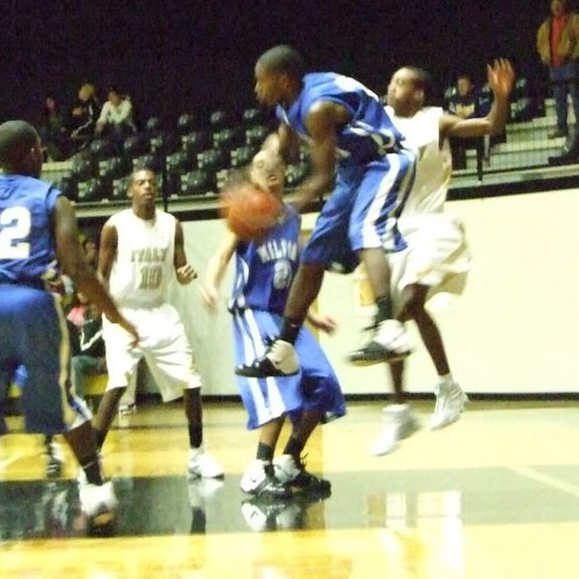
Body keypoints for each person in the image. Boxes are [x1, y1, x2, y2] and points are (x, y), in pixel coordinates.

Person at [0, 120, 139, 543]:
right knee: (63, 404)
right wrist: (117, 316)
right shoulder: (52, 198)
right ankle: (97, 494)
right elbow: (77, 269)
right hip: (33, 302)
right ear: (33, 152)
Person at [236, 45, 415, 379]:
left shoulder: (317, 107)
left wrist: (285, 207)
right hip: (354, 171)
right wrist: (258, 174)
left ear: (283, 80)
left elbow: (322, 176)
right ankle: (283, 352)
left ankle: (390, 328)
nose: (256, 89)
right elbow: (286, 151)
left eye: (261, 81)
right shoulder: (287, 107)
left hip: (384, 161)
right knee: (314, 254)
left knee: (365, 229)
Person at [369, 61, 514, 456]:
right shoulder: (376, 121)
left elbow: (490, 126)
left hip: (431, 224)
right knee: (400, 316)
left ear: (417, 94)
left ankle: (406, 406)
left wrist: (500, 97)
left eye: (401, 83)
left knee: (406, 306)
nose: (391, 86)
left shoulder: (435, 120)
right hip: (393, 232)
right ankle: (429, 393)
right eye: (391, 80)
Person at [200, 151, 345, 497]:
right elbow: (222, 255)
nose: (270, 170)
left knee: (323, 384)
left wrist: (310, 314)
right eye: (261, 167)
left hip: (287, 317)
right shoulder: (249, 212)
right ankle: (257, 469)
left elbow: (295, 274)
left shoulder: (293, 218)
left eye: (276, 165)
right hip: (255, 311)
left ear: (286, 172)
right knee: (277, 383)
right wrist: (210, 282)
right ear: (253, 178)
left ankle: (289, 462)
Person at [93, 168, 224, 479]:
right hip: (123, 313)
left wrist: (185, 274)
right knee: (118, 384)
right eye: (140, 182)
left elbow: (179, 267)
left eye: (152, 182)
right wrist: (105, 308)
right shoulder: (115, 226)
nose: (147, 187)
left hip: (159, 312)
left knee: (192, 381)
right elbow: (100, 273)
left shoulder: (171, 225)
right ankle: (91, 458)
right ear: (130, 191)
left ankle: (196, 455)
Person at [535, 0, 579, 145]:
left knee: (576, 95)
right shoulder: (547, 25)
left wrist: (575, 55)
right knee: (559, 99)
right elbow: (540, 43)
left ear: (564, 5)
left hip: (570, 64)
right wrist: (545, 57)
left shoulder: (574, 20)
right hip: (554, 66)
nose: (556, 7)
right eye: (553, 4)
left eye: (558, 4)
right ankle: (562, 127)